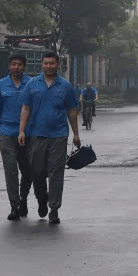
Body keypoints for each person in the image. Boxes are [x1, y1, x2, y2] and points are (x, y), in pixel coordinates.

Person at [18, 51, 81, 225]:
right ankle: (42, 199)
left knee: (56, 173)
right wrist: (21, 131)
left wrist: (76, 134)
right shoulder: (32, 84)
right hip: (37, 135)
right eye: (46, 63)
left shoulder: (66, 86)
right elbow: (25, 108)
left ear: (58, 65)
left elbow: (72, 111)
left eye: (52, 63)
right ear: (42, 64)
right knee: (37, 172)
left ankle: (54, 209)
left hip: (59, 135)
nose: (48, 66)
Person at [0, 54, 33, 220]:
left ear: (24, 67)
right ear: (9, 66)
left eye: (19, 64)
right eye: (14, 64)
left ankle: (23, 198)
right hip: (7, 132)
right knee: (10, 170)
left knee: (27, 170)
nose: (16, 67)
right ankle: (14, 205)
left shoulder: (31, 83)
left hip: (27, 133)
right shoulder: (1, 85)